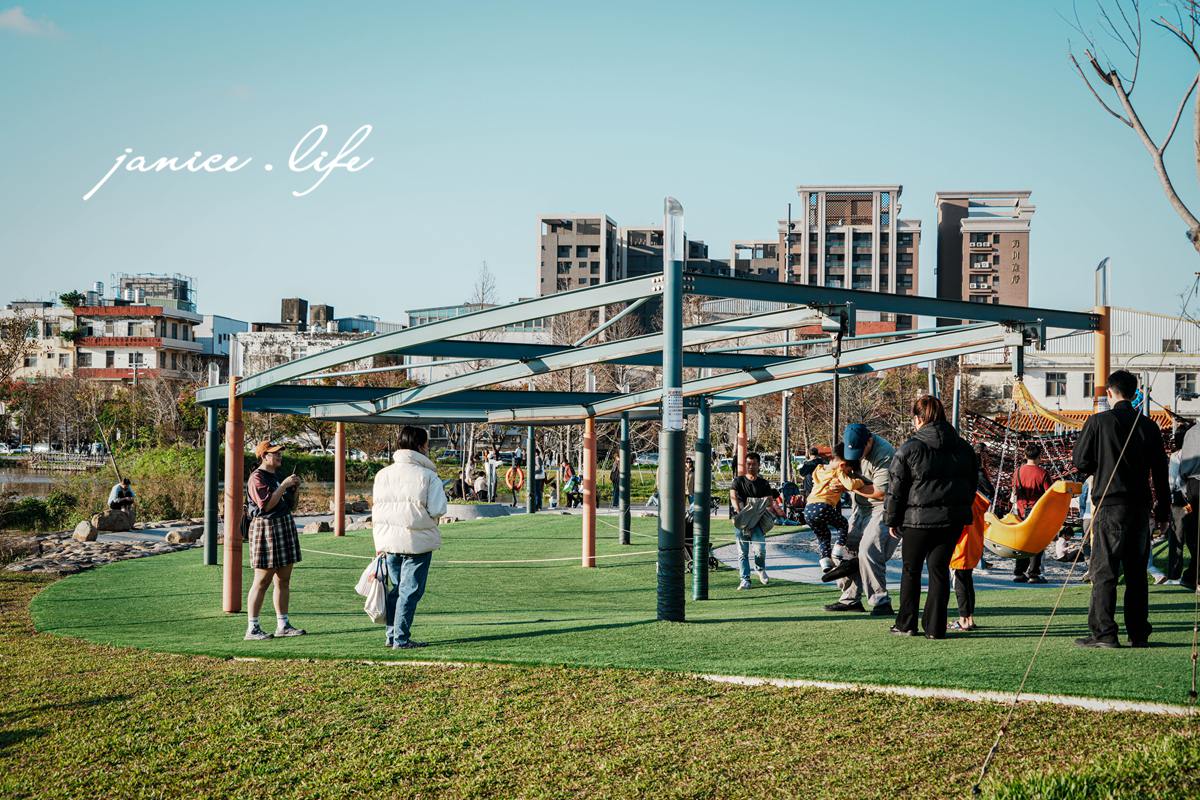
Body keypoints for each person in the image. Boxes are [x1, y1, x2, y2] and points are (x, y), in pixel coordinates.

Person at [1071, 370, 1170, 648]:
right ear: (1135, 392)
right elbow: (1160, 472)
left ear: (1110, 393)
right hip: (1140, 507)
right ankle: (1138, 633)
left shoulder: (1098, 422)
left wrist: (1098, 467)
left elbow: (1080, 461)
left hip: (1109, 504)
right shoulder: (1149, 426)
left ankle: (1104, 633)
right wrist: (1162, 513)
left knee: (1105, 572)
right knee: (1137, 574)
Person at [885, 396, 977, 639]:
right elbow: (972, 485)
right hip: (951, 519)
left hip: (916, 519)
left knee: (911, 570)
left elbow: (896, 489)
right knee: (939, 570)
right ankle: (935, 627)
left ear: (918, 418)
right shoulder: (964, 448)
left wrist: (891, 519)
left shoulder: (909, 449)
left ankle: (906, 623)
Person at [372, 425, 448, 650]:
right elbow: (438, 509)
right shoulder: (428, 475)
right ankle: (401, 639)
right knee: (410, 590)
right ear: (420, 445)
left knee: (397, 589)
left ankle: (392, 634)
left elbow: (377, 509)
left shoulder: (383, 474)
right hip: (417, 540)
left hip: (388, 540)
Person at [824, 424, 897, 615]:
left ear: (870, 441)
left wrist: (849, 486)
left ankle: (881, 602)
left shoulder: (885, 453)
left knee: (868, 551)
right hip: (860, 508)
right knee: (842, 551)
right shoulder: (848, 449)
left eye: (859, 451)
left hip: (883, 508)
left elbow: (880, 492)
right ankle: (850, 599)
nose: (855, 456)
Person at [243, 440, 305, 641]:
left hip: (284, 524)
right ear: (264, 456)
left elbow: (290, 506)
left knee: (283, 579)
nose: (279, 456)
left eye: (280, 453)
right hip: (266, 528)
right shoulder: (257, 478)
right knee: (262, 580)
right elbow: (267, 506)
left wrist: (293, 489)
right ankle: (252, 628)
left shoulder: (275, 476)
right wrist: (285, 484)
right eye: (274, 453)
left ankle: (283, 624)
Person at [803, 444, 872, 572]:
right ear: (842, 465)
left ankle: (826, 562)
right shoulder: (838, 471)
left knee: (823, 536)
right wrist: (861, 482)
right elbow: (850, 485)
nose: (848, 473)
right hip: (822, 505)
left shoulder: (819, 468)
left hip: (808, 510)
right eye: (848, 471)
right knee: (842, 524)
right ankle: (839, 549)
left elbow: (815, 478)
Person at [730, 452, 783, 590]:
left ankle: (760, 568)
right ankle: (745, 579)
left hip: (758, 521)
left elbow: (770, 502)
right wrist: (738, 511)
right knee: (743, 552)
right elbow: (733, 496)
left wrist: (762, 506)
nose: (751, 466)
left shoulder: (763, 483)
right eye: (748, 464)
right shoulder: (738, 481)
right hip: (742, 521)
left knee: (760, 550)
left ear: (759, 465)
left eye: (754, 464)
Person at [1011, 443, 1053, 584]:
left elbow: (1014, 491)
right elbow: (1049, 495)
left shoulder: (1017, 472)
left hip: (1020, 511)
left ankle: (1019, 572)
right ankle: (1034, 573)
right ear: (1040, 457)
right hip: (1037, 512)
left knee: (1022, 542)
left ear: (1025, 455)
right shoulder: (1043, 473)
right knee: (1037, 543)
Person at [531, 448, 546, 512]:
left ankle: (537, 505)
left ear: (536, 453)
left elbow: (539, 468)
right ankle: (539, 505)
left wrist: (533, 472)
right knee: (538, 491)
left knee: (536, 492)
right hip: (540, 477)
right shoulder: (539, 458)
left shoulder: (537, 458)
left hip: (537, 477)